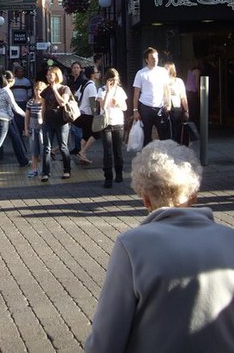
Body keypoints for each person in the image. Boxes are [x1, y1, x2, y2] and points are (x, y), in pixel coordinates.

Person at [84, 140, 234, 352]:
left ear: (145, 200)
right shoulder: (230, 239)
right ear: (194, 195)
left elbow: (105, 341)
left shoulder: (132, 245)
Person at [132, 47, 171, 146]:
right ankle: (146, 158)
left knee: (164, 135)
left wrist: (168, 103)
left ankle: (163, 157)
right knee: (146, 135)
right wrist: (135, 110)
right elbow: (136, 93)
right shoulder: (141, 73)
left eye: (156, 57)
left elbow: (166, 89)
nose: (155, 60)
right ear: (146, 59)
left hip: (160, 106)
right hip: (146, 107)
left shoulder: (163, 71)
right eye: (152, 58)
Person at [96, 68, 127, 188]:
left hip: (118, 122)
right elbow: (102, 106)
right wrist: (108, 92)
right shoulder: (101, 90)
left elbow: (124, 107)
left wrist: (118, 103)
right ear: (106, 80)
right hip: (106, 123)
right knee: (107, 152)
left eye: (114, 80)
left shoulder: (120, 90)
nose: (113, 82)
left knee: (117, 151)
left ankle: (119, 173)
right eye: (110, 80)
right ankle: (108, 177)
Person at [40, 66, 72, 181]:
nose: (48, 77)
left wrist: (54, 90)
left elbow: (63, 103)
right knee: (46, 148)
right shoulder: (45, 91)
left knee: (63, 146)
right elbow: (43, 106)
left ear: (57, 76)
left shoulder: (65, 89)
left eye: (50, 75)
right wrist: (42, 119)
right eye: (47, 75)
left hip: (61, 122)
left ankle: (67, 170)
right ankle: (45, 172)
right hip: (48, 121)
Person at [74, 65, 101, 164]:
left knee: (85, 135)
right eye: (97, 72)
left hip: (81, 113)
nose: (99, 73)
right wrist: (96, 115)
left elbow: (75, 97)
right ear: (93, 75)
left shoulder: (83, 84)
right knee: (96, 134)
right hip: (89, 114)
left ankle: (83, 157)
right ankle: (83, 152)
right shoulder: (92, 86)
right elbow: (92, 102)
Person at [24, 81, 46, 178]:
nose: (38, 92)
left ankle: (45, 170)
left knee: (43, 150)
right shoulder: (30, 102)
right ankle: (34, 169)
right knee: (34, 151)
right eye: (36, 89)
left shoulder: (45, 102)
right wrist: (26, 128)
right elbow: (27, 116)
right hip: (32, 129)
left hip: (42, 129)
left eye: (40, 90)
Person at [165, 62, 189, 143]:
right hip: (165, 108)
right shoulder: (161, 81)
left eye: (166, 68)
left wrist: (186, 110)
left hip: (176, 108)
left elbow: (183, 97)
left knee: (177, 130)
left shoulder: (178, 81)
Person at [68, 62, 86, 154]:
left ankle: (80, 148)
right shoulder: (71, 79)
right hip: (72, 104)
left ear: (80, 69)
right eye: (74, 68)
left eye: (77, 68)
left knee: (78, 128)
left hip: (79, 105)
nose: (76, 69)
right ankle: (77, 146)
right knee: (74, 127)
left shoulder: (82, 80)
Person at [11, 66, 33, 136]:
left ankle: (24, 129)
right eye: (19, 72)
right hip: (15, 102)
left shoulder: (26, 81)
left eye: (21, 72)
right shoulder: (13, 81)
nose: (20, 73)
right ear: (16, 73)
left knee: (24, 117)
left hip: (24, 102)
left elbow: (29, 91)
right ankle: (18, 130)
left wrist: (28, 98)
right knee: (16, 117)